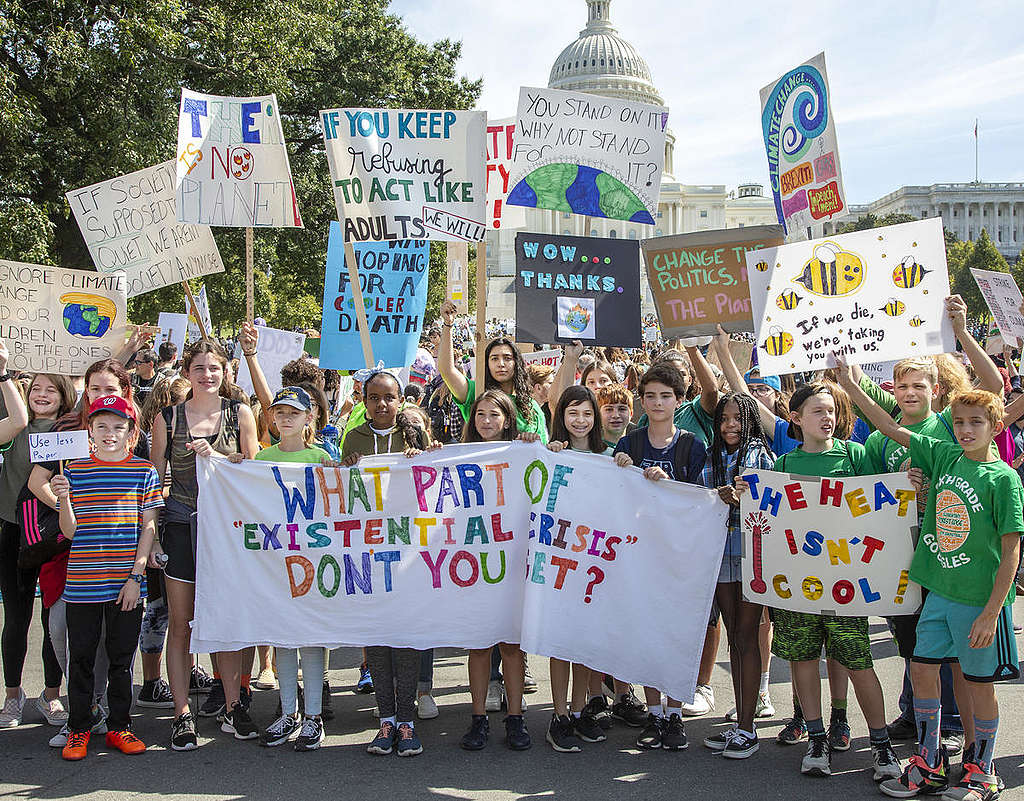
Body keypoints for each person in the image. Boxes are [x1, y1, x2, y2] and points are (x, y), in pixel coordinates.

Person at [837, 366, 1021, 800]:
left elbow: (1012, 550)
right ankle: (930, 762)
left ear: (996, 427)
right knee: (921, 669)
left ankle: (983, 770)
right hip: (937, 591)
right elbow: (885, 424)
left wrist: (993, 612)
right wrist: (848, 382)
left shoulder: (1003, 479)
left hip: (977, 601)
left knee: (978, 685)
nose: (965, 429)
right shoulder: (943, 454)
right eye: (958, 422)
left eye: (975, 422)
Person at [735, 382, 900, 783]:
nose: (827, 418)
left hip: (846, 586)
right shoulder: (783, 463)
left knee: (859, 662)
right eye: (817, 411)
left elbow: (888, 503)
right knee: (804, 661)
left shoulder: (854, 454)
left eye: (830, 411)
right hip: (797, 587)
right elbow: (769, 520)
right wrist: (744, 492)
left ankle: (880, 744)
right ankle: (816, 737)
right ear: (796, 418)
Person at [150, 340, 260, 751]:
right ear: (187, 372)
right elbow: (156, 478)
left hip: (228, 532)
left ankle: (234, 704)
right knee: (182, 623)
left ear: (225, 371)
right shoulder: (168, 418)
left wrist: (220, 456)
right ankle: (181, 714)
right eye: (199, 368)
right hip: (181, 525)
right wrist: (155, 534)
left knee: (226, 619)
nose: (207, 375)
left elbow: (255, 470)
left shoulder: (240, 413)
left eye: (214, 368)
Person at [50, 395, 162, 760]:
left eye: (118, 426)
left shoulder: (145, 471)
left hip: (126, 583)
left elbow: (148, 526)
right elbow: (69, 532)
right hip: (82, 582)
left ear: (131, 432)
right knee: (80, 657)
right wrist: (63, 498)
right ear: (90, 430)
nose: (109, 433)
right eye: (102, 426)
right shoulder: (75, 471)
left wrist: (136, 576)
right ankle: (79, 727)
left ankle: (119, 726)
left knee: (120, 658)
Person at [613, 363, 708, 751]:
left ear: (679, 400)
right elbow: (611, 498)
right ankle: (655, 713)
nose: (657, 402)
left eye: (665, 396)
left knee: (677, 637)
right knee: (647, 637)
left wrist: (671, 487)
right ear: (641, 399)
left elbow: (704, 503)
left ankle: (675, 714)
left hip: (680, 558)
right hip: (638, 557)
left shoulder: (692, 445)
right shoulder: (629, 445)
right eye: (649, 395)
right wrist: (618, 471)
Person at [343, 369, 429, 757]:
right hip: (369, 549)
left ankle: (407, 721)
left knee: (406, 634)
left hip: (408, 549)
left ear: (400, 400)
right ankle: (385, 720)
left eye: (389, 397)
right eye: (374, 398)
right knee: (377, 635)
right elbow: (343, 488)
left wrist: (421, 457)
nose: (382, 405)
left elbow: (435, 476)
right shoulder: (355, 438)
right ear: (364, 403)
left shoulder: (414, 434)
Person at [249, 387, 331, 752]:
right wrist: (235, 465)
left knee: (311, 637)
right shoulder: (262, 458)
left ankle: (313, 716)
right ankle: (288, 712)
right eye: (279, 412)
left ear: (308, 418)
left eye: (293, 413)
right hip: (276, 561)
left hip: (311, 560)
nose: (285, 418)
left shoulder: (321, 456)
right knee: (282, 635)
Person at [0, 343, 74, 729]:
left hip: (53, 536)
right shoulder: (14, 424)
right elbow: (14, 410)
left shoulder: (73, 430)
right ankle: (13, 697)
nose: (42, 395)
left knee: (52, 621)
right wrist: (4, 370)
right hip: (13, 532)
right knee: (15, 617)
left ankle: (51, 694)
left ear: (64, 396)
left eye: (51, 390)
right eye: (36, 389)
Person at [458, 390, 536, 752]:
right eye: (480, 415)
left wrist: (532, 444)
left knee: (511, 645)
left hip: (509, 565)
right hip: (473, 566)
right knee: (478, 646)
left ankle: (516, 718)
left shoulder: (521, 452)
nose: (486, 422)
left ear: (508, 419)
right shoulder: (456, 456)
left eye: (494, 415)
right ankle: (478, 720)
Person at [699, 393, 775, 759]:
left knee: (747, 636)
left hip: (752, 554)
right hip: (721, 554)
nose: (730, 425)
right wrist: (717, 494)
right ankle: (739, 724)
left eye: (737, 419)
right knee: (734, 636)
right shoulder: (713, 455)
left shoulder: (758, 452)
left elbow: (776, 497)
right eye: (724, 419)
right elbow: (700, 500)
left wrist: (745, 496)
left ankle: (748, 727)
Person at [542, 386, 610, 752]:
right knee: (561, 641)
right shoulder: (552, 455)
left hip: (594, 562)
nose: (580, 421)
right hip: (560, 562)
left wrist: (627, 470)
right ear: (561, 418)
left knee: (585, 641)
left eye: (586, 413)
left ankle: (581, 710)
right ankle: (559, 715)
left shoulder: (610, 456)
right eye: (572, 413)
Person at [438, 299, 548, 443]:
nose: (501, 364)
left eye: (507, 358)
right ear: (487, 364)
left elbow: (543, 450)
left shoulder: (532, 407)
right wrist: (448, 325)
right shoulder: (475, 393)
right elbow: (447, 371)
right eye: (494, 359)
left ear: (517, 364)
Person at [595, 384, 636, 449]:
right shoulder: (591, 450)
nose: (616, 415)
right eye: (609, 409)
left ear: (631, 414)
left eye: (622, 409)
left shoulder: (639, 448)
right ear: (598, 414)